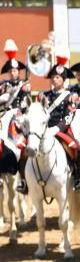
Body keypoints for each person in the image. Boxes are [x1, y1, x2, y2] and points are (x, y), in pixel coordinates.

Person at [28, 46, 80, 194]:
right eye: (53, 77)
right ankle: (24, 181)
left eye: (57, 77)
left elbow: (69, 116)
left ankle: (77, 178)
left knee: (76, 148)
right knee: (28, 149)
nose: (54, 79)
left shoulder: (71, 96)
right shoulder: (42, 95)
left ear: (63, 80)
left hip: (62, 129)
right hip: (43, 130)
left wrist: (56, 129)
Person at [0, 39, 31, 188]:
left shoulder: (24, 85)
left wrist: (18, 112)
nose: (13, 73)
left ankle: (25, 173)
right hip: (5, 116)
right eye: (11, 71)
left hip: (20, 116)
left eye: (15, 71)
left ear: (19, 72)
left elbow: (25, 102)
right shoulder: (2, 85)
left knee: (29, 141)